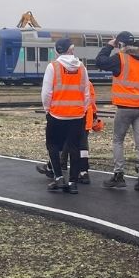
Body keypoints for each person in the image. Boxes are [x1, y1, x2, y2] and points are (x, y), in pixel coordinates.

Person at [96, 30, 139, 191]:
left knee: (118, 140)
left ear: (120, 44)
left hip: (125, 108)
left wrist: (108, 46)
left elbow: (100, 62)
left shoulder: (120, 58)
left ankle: (119, 175)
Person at [41, 38, 92, 194]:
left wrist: (47, 109)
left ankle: (58, 178)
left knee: (53, 146)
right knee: (74, 148)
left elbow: (47, 92)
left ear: (57, 51)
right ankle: (73, 183)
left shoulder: (53, 67)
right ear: (72, 49)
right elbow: (86, 91)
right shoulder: (82, 67)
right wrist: (82, 110)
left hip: (57, 114)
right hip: (77, 115)